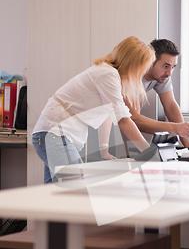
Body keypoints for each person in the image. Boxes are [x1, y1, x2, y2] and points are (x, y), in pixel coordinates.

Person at [32, 36, 154, 184]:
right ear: (135, 65)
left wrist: (104, 149)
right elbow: (123, 120)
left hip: (53, 133)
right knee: (75, 188)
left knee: (54, 193)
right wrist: (148, 154)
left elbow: (109, 114)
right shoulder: (108, 74)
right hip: (55, 133)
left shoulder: (108, 73)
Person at [125, 39, 189, 148]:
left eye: (173, 67)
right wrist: (174, 128)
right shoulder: (132, 76)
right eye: (165, 66)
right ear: (150, 61)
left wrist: (187, 143)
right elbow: (134, 118)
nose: (169, 73)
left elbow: (170, 106)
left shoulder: (161, 76)